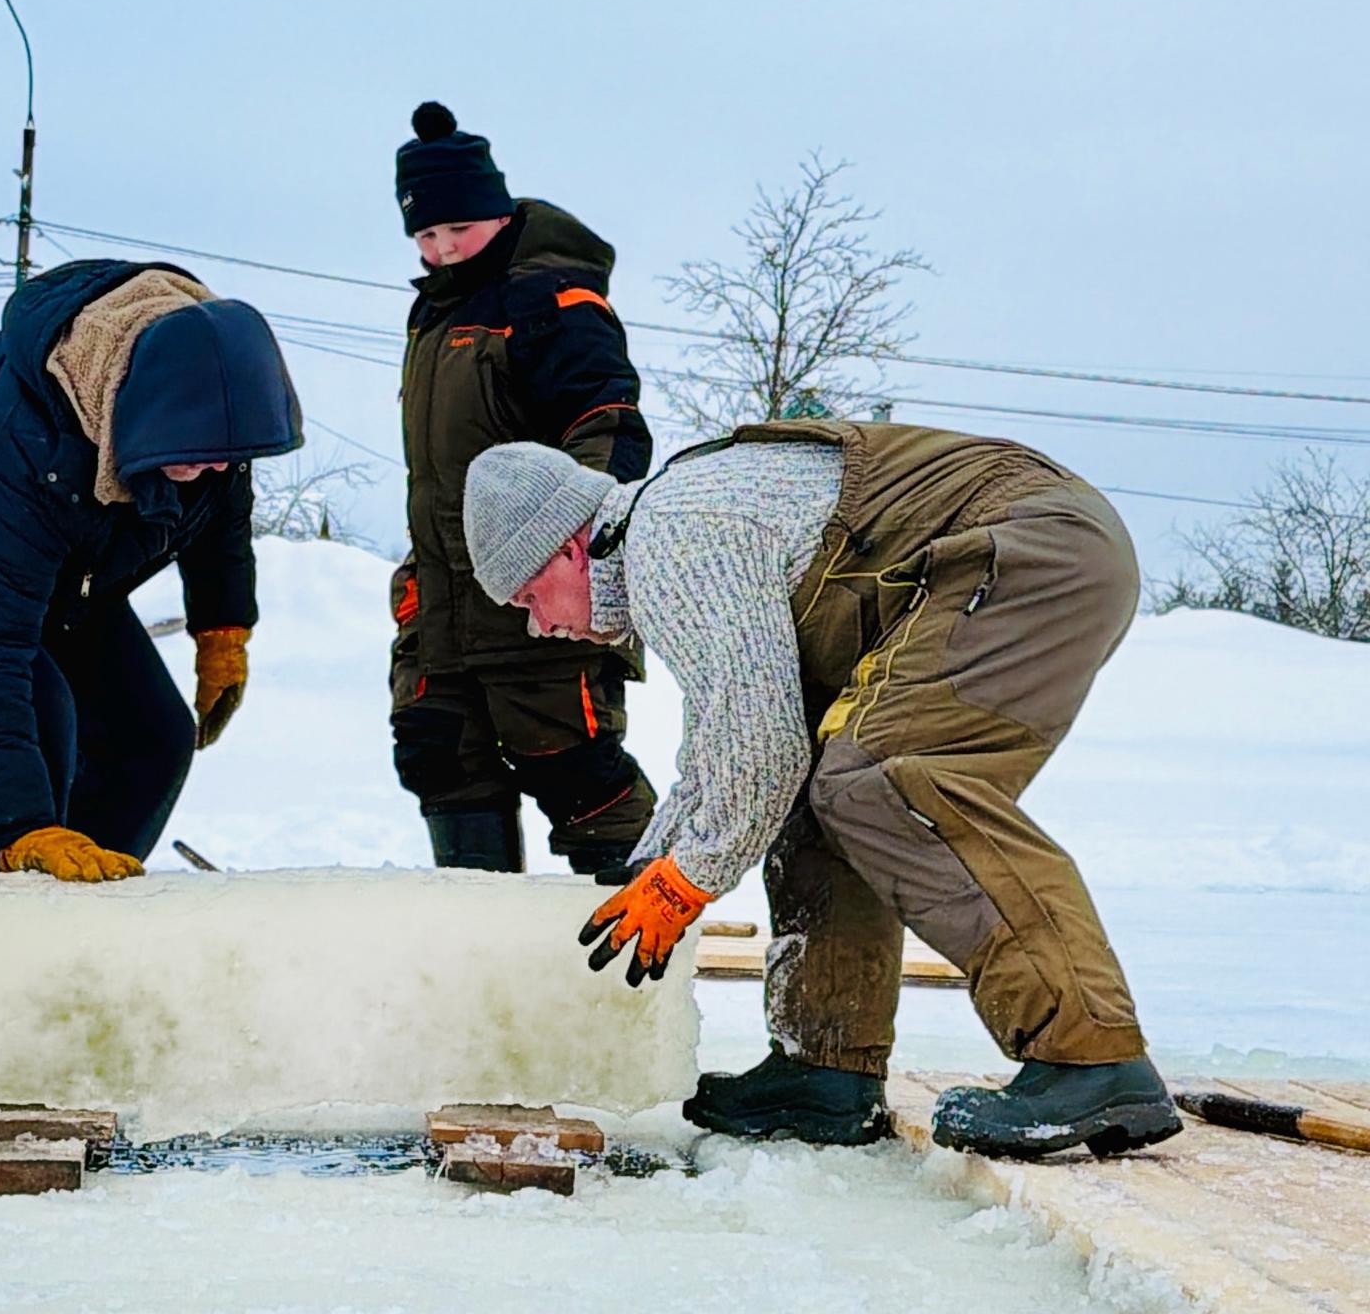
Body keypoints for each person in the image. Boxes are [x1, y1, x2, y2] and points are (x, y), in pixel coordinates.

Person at [459, 420, 1184, 1160]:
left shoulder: (670, 536)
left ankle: (1089, 1056)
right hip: (1009, 555)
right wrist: (649, 868)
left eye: (529, 598)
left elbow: (761, 750)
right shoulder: (669, 538)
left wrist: (687, 880)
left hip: (1028, 550)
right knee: (819, 790)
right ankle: (826, 1070)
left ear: (569, 548)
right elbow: (726, 746)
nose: (539, 627)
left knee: (883, 780)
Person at [0, 259, 303, 880]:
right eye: (194, 457)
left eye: (222, 459)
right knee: (40, 715)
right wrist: (22, 826)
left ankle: (84, 915)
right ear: (137, 410)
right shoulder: (22, 439)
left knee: (151, 738)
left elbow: (220, 516)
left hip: (57, 557)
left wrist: (222, 628)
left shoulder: (210, 408)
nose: (211, 470)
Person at [389, 100, 656, 875]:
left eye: (458, 229)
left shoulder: (550, 302)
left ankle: (640, 929)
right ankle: (484, 941)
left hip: (541, 596)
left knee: (573, 770)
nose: (442, 249)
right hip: (442, 600)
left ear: (498, 213)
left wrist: (579, 543)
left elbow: (609, 424)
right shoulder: (432, 315)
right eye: (425, 235)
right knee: (439, 754)